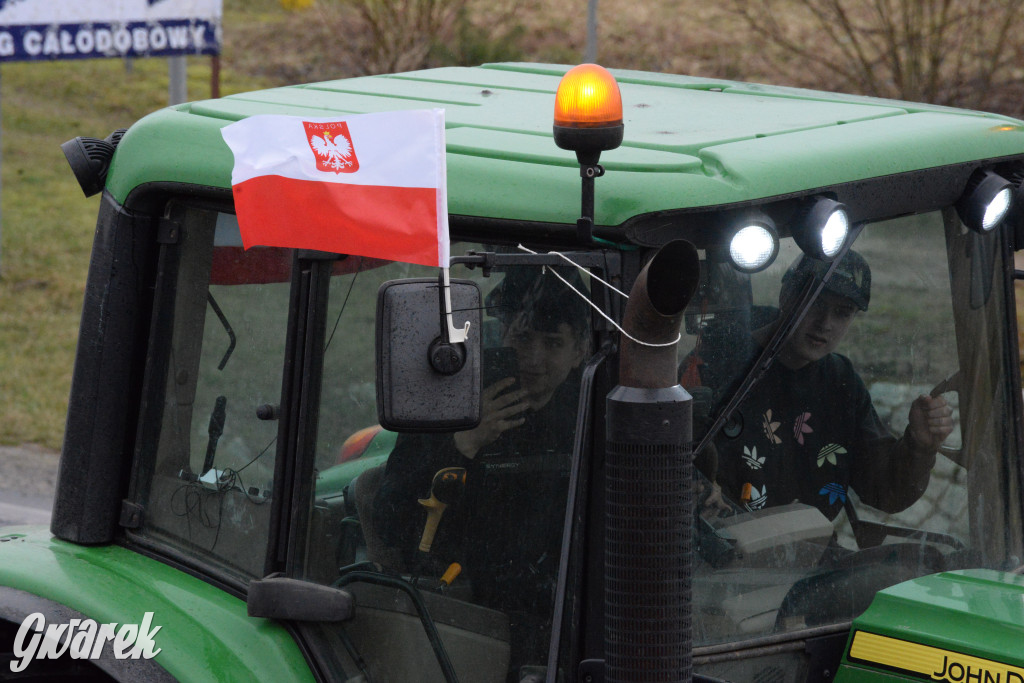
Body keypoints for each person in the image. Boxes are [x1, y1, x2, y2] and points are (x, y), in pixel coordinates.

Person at [372, 264, 590, 675]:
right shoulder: (448, 402)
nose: (534, 359)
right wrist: (464, 444)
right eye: (523, 338)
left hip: (571, 602)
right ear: (502, 332)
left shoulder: (593, 409)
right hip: (467, 608)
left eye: (554, 343)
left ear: (580, 351)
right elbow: (393, 523)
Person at [688, 250, 954, 521]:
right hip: (727, 552)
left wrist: (919, 446)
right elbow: (672, 466)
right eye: (814, 303)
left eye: (842, 312)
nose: (825, 323)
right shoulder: (713, 364)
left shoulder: (842, 382)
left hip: (815, 555)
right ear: (786, 295)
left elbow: (883, 491)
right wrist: (699, 489)